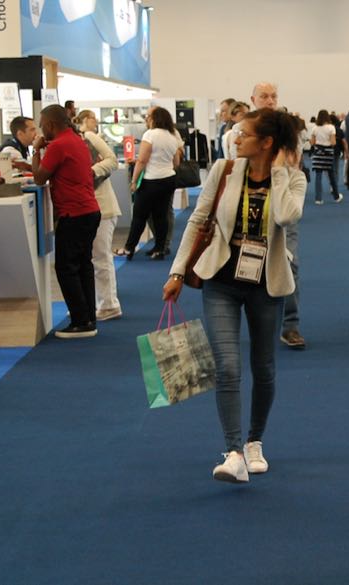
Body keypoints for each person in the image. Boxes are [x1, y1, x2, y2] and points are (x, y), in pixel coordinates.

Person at [163, 109, 306, 483]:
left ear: (266, 143)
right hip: (220, 279)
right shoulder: (224, 170)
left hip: (267, 283)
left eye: (244, 134)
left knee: (263, 368)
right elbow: (198, 219)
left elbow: (289, 217)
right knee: (226, 366)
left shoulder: (293, 178)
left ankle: (255, 440)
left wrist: (277, 171)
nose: (235, 138)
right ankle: (234, 452)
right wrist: (178, 271)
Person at [32, 105, 102, 339]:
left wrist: (35, 152)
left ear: (51, 124)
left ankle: (81, 321)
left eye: (42, 125)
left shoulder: (59, 145)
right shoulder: (75, 141)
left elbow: (39, 178)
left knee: (66, 267)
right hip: (88, 211)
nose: (41, 129)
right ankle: (88, 317)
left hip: (74, 215)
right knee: (83, 265)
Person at [251, 82, 307, 350]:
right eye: (264, 96)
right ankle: (259, 325)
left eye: (273, 96)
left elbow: (294, 161)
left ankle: (291, 325)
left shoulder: (289, 128)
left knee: (289, 261)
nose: (270, 100)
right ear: (253, 99)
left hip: (284, 199)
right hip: (251, 202)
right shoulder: (243, 130)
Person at [74, 110, 122, 321]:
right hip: (86, 208)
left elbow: (113, 161)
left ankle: (109, 305)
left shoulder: (89, 138)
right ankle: (92, 304)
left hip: (102, 206)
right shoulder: (72, 143)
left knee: (101, 258)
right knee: (90, 259)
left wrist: (91, 172)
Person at [115, 106, 180, 261]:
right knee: (161, 215)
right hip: (168, 179)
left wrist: (134, 181)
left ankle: (129, 248)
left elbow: (142, 160)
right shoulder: (172, 136)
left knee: (139, 216)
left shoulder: (150, 134)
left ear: (155, 118)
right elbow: (176, 162)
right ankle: (159, 249)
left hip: (151, 180)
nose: (146, 119)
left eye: (148, 116)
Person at [310, 110, 343, 204]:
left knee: (318, 175)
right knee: (331, 175)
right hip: (328, 153)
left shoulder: (315, 128)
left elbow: (312, 142)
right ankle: (336, 196)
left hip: (318, 153)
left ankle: (318, 199)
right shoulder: (331, 127)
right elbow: (333, 142)